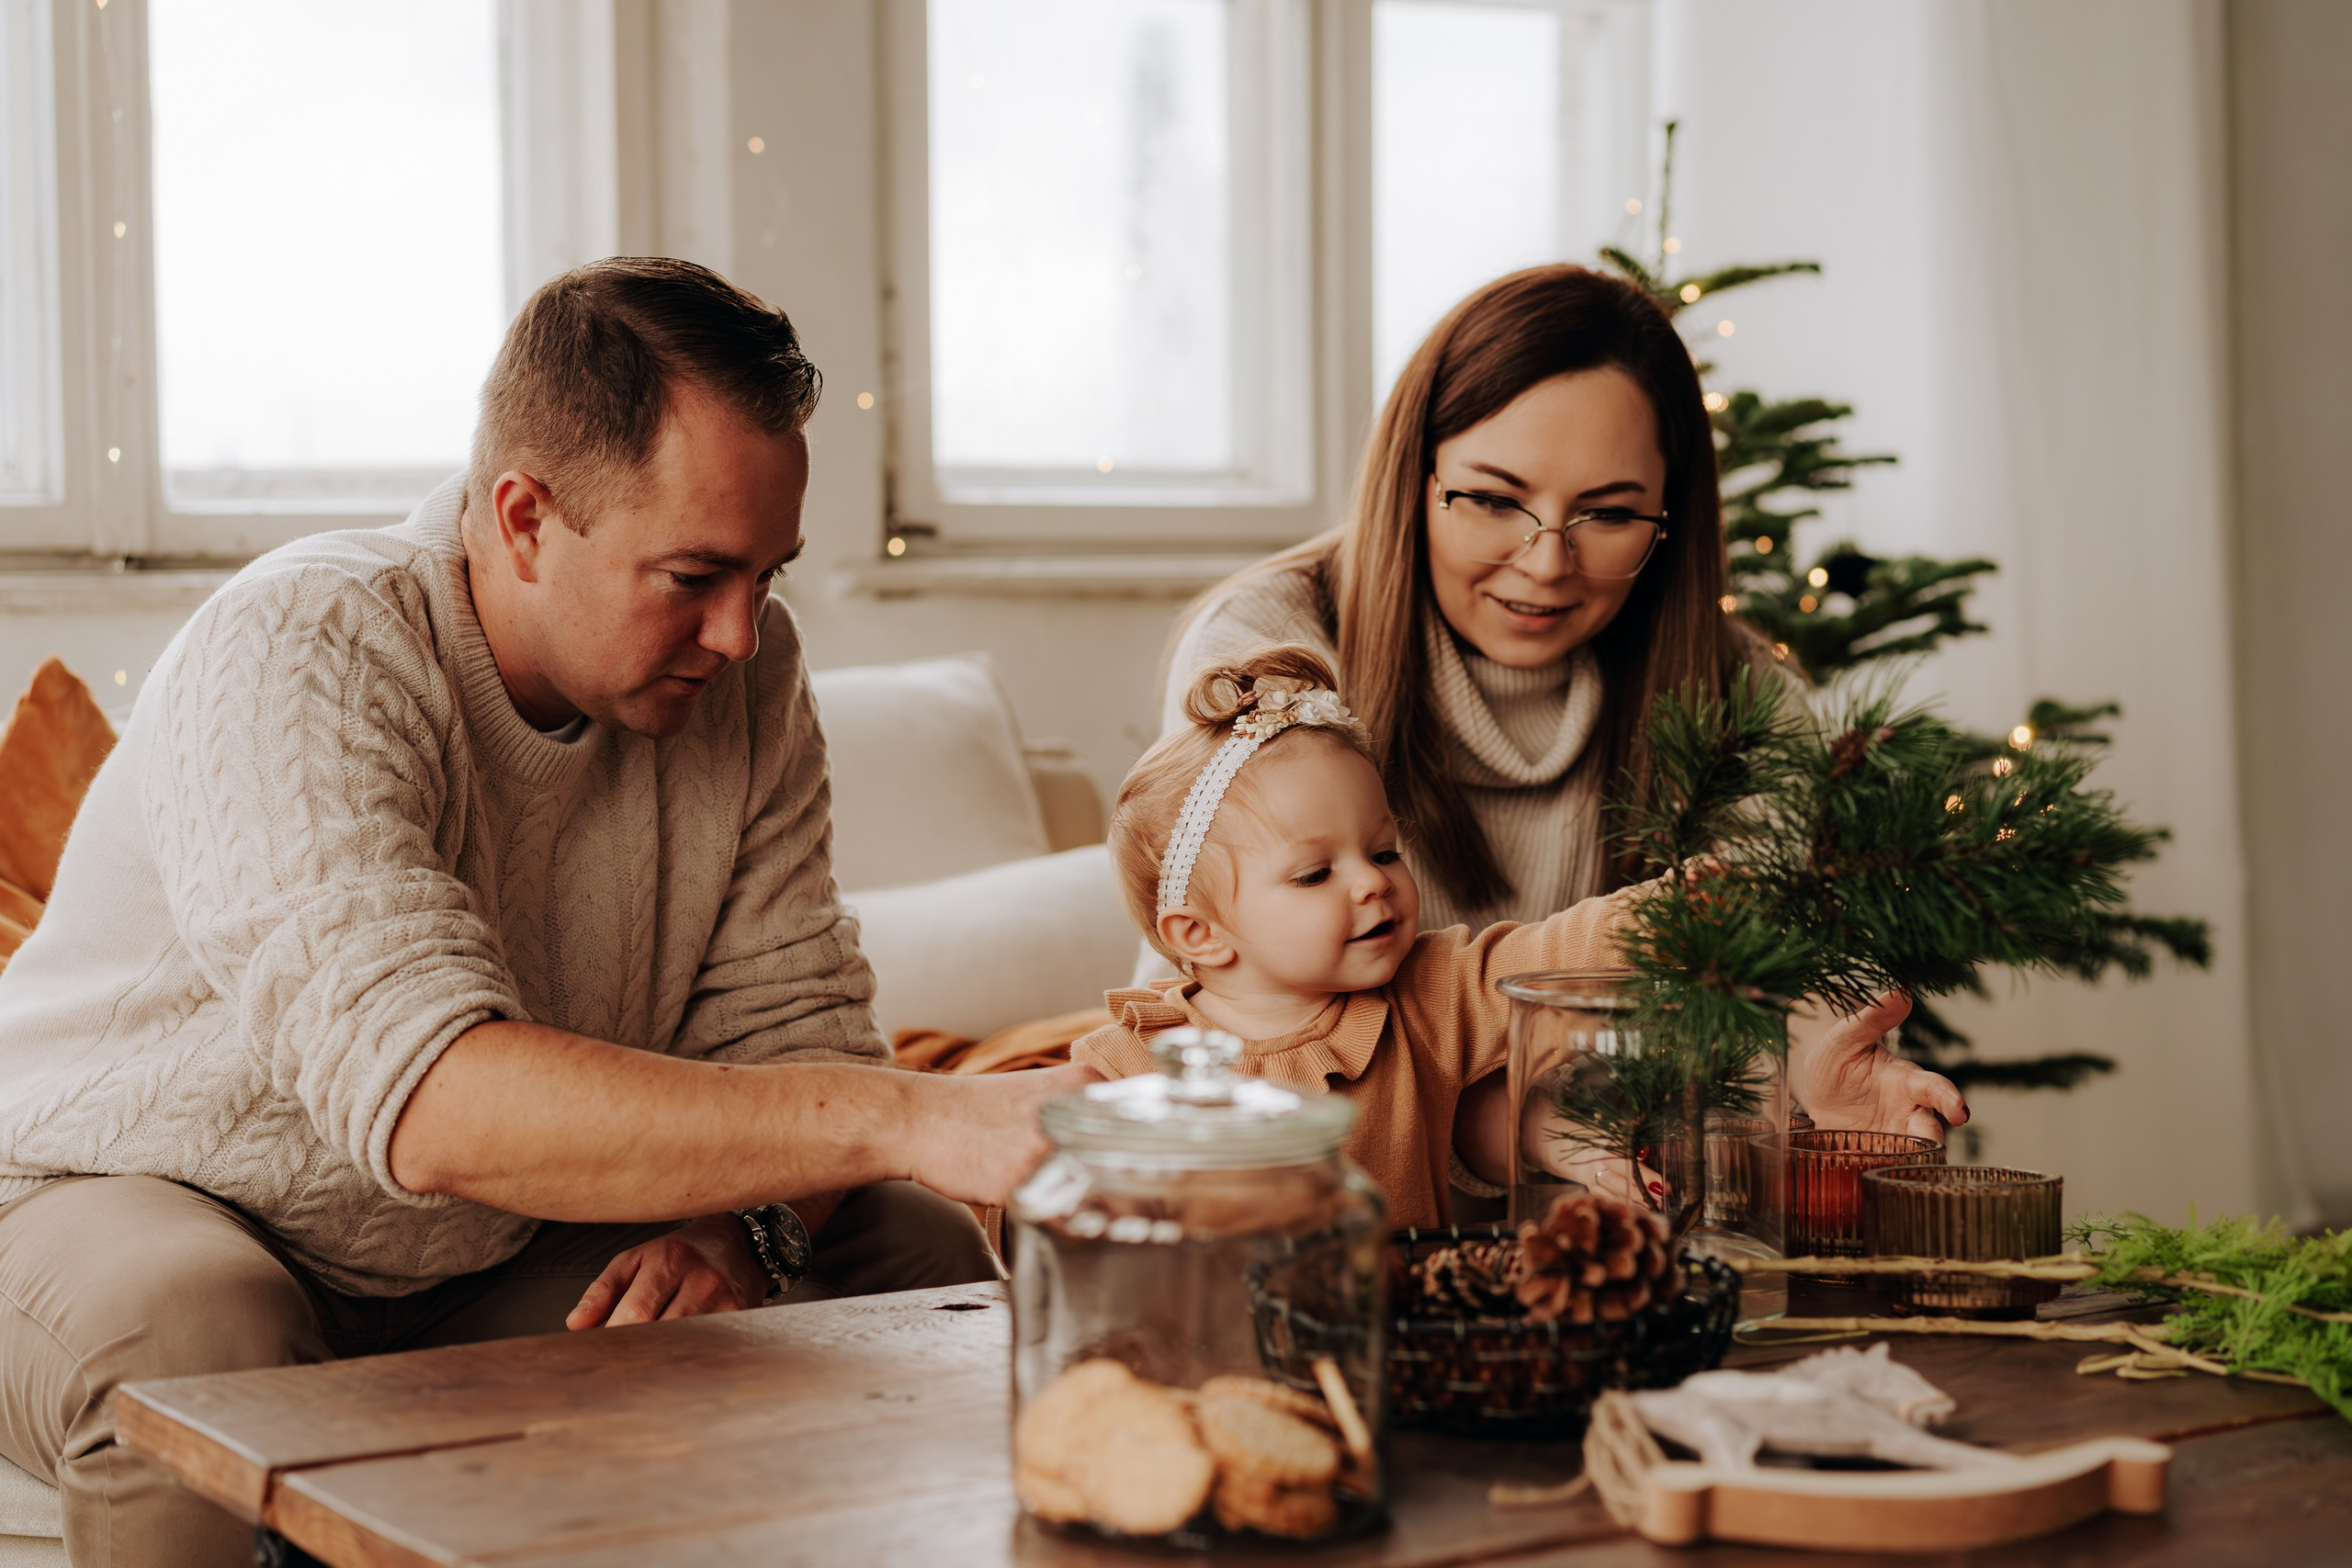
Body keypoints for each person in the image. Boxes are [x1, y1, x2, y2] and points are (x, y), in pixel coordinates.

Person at [0, 258, 1088, 1567]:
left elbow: (794, 1034)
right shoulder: (306, 642)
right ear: (523, 519)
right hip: (103, 1196)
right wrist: (914, 1114)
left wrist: (741, 1230)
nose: (740, 634)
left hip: (464, 1253)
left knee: (899, 1245)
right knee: (197, 1323)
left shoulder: (749, 682)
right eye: (693, 575)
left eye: (768, 575)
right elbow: (432, 1103)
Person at [1157, 265, 1964, 1187]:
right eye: (1493, 499)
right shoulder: (1271, 653)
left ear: (1670, 518)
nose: (1546, 563)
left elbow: (1764, 991)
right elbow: (1244, 1009)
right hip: (1300, 1185)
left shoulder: (1742, 698)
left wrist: (1810, 1075)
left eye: (1609, 514)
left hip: (1618, 1199)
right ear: (1413, 479)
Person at [1080, 646, 1643, 1225]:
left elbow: (1562, 946)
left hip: (1405, 1287)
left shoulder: (1430, 995)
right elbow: (1058, 1212)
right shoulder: (1124, 1069)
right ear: (1201, 933)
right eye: (1315, 874)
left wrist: (1683, 898)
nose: (1373, 881)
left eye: (1384, 852)